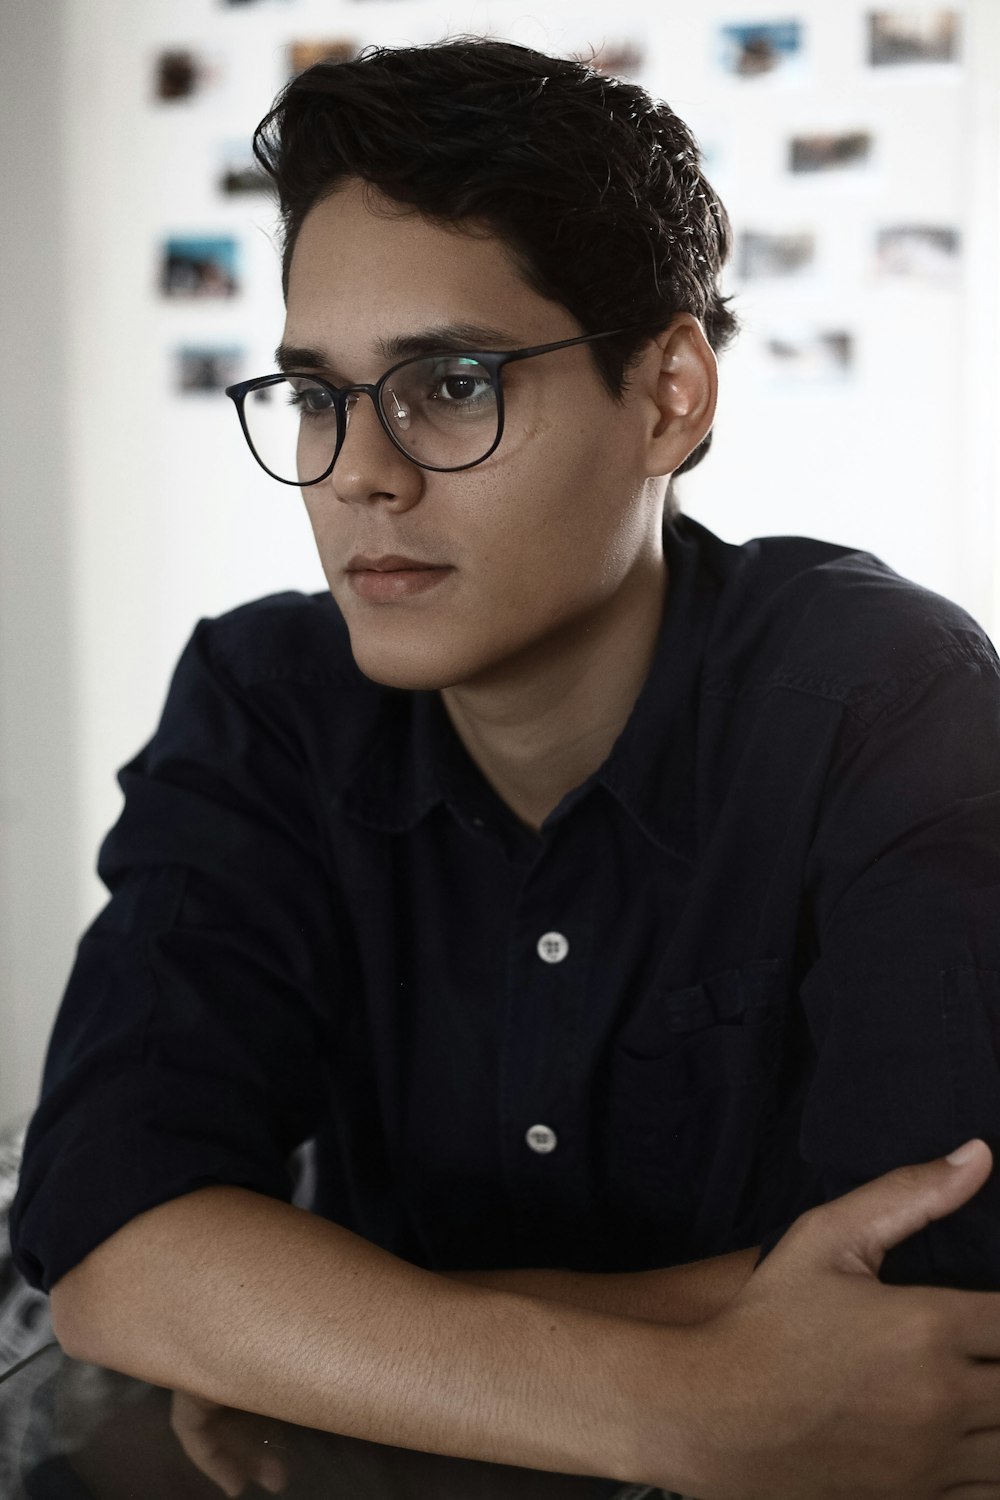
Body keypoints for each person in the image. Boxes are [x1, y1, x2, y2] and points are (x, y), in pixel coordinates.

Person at [9, 36, 1000, 1500]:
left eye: (451, 383)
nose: (358, 471)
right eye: (316, 395)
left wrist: (310, 1342)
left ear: (668, 395)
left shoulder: (882, 695)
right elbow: (105, 1236)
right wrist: (685, 1405)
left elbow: (934, 1304)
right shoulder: (265, 698)